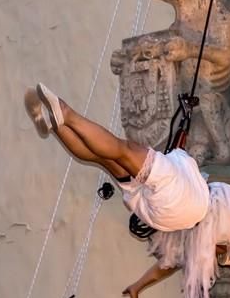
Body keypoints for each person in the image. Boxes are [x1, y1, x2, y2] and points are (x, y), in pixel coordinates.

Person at [24, 83, 210, 232]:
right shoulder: (195, 191)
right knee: (102, 157)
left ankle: (65, 113)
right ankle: (53, 125)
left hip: (176, 196)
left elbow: (176, 149)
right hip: (159, 213)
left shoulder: (200, 188)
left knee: (124, 150)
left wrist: (186, 117)